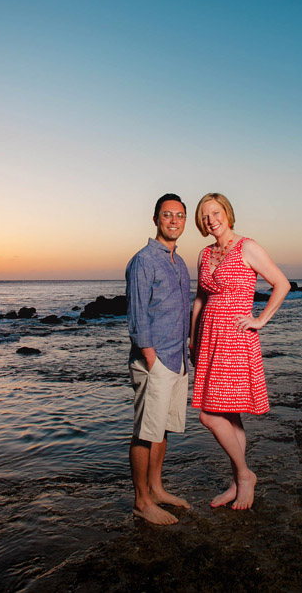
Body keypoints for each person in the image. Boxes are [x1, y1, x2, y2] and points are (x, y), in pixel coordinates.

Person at [190, 192, 289, 510]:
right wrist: (192, 339)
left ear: (228, 214)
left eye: (216, 212)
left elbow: (282, 283)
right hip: (208, 338)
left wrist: (260, 320)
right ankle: (237, 481)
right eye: (205, 215)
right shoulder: (205, 255)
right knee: (229, 415)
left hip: (234, 339)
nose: (211, 219)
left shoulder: (248, 247)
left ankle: (245, 476)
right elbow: (200, 300)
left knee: (209, 415)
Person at [125, 193, 192, 525]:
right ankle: (141, 501)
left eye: (180, 216)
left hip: (177, 357)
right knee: (144, 431)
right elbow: (138, 316)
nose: (174, 221)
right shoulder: (144, 260)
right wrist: (151, 360)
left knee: (161, 427)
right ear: (155, 219)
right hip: (155, 360)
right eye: (168, 215)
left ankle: (156, 488)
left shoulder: (178, 262)